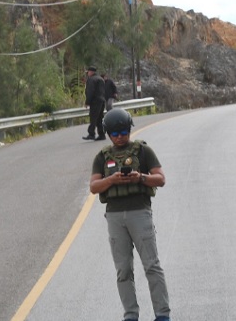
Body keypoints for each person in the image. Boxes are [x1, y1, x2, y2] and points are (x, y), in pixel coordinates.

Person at [89, 108, 171, 321]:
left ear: (129, 129)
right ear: (108, 134)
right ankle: (131, 316)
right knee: (123, 270)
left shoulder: (143, 151)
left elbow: (160, 179)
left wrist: (141, 178)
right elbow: (94, 186)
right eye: (115, 134)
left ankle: (162, 315)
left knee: (151, 265)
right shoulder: (101, 156)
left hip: (140, 213)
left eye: (124, 132)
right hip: (115, 218)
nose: (120, 137)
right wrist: (112, 180)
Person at [83, 66, 106, 141]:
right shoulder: (101, 79)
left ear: (91, 72)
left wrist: (87, 102)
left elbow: (90, 92)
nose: (88, 74)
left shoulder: (91, 80)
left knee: (93, 117)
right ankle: (101, 134)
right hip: (102, 101)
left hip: (95, 101)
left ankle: (91, 133)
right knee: (99, 118)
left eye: (88, 72)